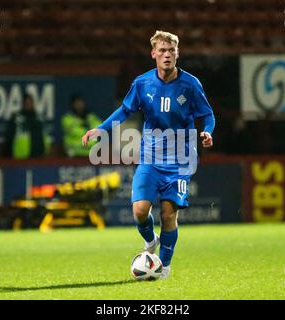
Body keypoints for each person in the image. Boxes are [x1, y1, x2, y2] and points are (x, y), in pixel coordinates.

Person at [82, 31, 215, 279]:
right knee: (140, 211)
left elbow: (207, 115)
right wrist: (102, 129)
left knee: (168, 213)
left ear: (178, 53)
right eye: (162, 50)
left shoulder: (191, 84)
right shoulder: (142, 83)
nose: (167, 55)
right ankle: (150, 240)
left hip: (179, 160)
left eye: (172, 50)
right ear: (153, 54)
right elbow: (125, 111)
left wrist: (207, 131)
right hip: (150, 158)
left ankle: (163, 267)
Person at [3, 94, 50, 159]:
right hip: (20, 157)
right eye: (26, 103)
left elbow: (45, 136)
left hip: (38, 155)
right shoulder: (16, 118)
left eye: (30, 103)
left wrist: (45, 152)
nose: (28, 105)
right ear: (22, 104)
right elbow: (9, 137)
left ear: (33, 103)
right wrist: (7, 155)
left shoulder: (40, 118)